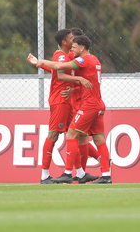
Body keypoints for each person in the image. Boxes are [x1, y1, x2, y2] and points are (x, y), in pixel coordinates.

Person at [29, 35, 112, 184]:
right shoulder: (95, 59)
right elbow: (78, 75)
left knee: (71, 135)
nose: (72, 50)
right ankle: (106, 175)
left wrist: (41, 62)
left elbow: (60, 68)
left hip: (88, 105)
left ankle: (68, 173)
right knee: (99, 139)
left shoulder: (82, 59)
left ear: (82, 48)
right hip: (99, 104)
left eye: (74, 47)